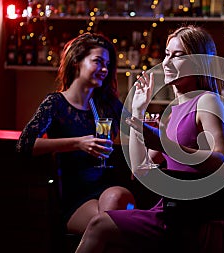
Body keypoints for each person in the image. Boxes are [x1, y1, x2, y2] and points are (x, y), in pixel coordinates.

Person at [75, 25, 224, 253]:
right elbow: (140, 171)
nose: (166, 62)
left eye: (177, 56)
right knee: (106, 232)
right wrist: (139, 111)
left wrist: (164, 144)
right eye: (167, 54)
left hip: (190, 216)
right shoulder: (171, 111)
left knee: (99, 225)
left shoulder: (207, 100)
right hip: (168, 209)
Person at [16, 33, 135, 235]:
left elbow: (136, 129)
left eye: (107, 64)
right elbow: (25, 144)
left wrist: (140, 109)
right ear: (76, 62)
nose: (105, 69)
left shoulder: (106, 105)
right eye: (98, 62)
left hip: (106, 187)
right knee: (111, 230)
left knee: (117, 199)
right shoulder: (55, 103)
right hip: (75, 195)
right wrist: (77, 143)